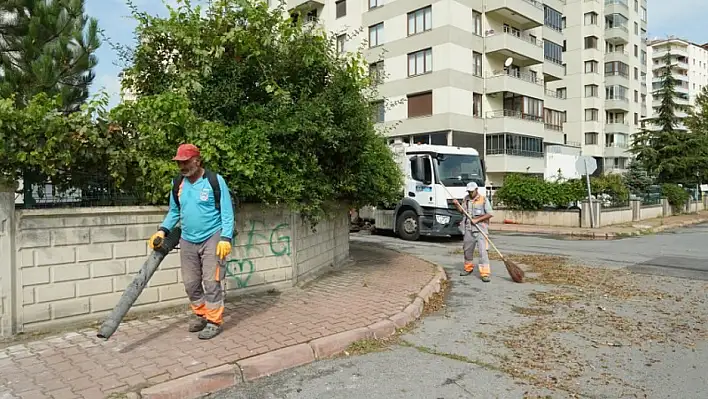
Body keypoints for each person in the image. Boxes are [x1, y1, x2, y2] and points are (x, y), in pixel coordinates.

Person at [148, 144, 235, 339]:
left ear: (197, 160)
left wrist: (225, 238)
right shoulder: (178, 183)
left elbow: (227, 213)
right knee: (190, 283)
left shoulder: (214, 181)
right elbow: (174, 211)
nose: (182, 166)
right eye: (179, 163)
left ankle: (214, 321)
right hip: (187, 239)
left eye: (185, 162)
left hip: (212, 237)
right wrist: (162, 231)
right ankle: (201, 314)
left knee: (211, 282)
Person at [455, 182, 494, 282]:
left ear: (476, 190)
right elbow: (462, 211)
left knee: (483, 252)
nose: (470, 193)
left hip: (481, 229)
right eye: (469, 191)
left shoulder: (483, 199)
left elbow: (490, 214)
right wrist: (456, 205)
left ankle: (485, 273)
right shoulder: (466, 199)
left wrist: (478, 220)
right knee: (467, 250)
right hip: (468, 229)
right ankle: (468, 268)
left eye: (472, 191)